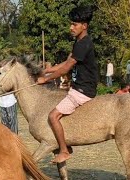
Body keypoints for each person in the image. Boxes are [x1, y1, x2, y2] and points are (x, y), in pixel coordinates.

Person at [37, 6, 97, 163]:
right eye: (70, 24)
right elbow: (66, 62)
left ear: (84, 26)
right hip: (78, 87)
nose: (71, 27)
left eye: (74, 24)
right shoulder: (79, 42)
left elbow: (66, 68)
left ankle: (64, 150)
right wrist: (48, 70)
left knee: (53, 116)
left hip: (83, 90)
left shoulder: (84, 44)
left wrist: (46, 79)